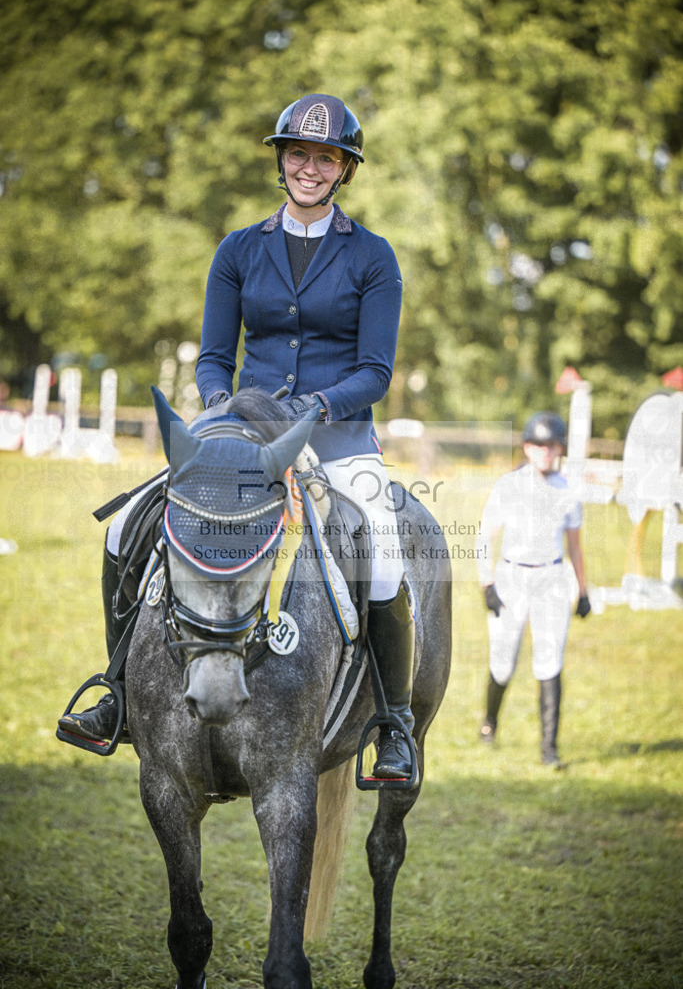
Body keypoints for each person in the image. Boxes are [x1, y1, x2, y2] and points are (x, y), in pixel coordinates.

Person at [59, 93, 415, 779]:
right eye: (298, 154)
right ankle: (119, 696)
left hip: (336, 437)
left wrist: (309, 410)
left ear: (344, 170)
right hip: (238, 429)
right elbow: (214, 355)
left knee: (389, 552)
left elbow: (374, 372)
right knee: (122, 528)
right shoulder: (237, 249)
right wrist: (222, 408)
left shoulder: (373, 256)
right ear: (281, 160)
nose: (310, 168)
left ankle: (392, 725)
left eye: (326, 158)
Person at [475, 411, 591, 767]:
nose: (545, 452)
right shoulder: (509, 486)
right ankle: (490, 722)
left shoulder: (569, 491)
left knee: (549, 659)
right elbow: (483, 538)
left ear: (560, 450)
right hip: (512, 578)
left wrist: (583, 590)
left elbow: (574, 545)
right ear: (527, 448)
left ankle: (549, 747)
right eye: (538, 445)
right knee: (503, 660)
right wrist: (488, 584)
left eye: (552, 446)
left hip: (551, 580)